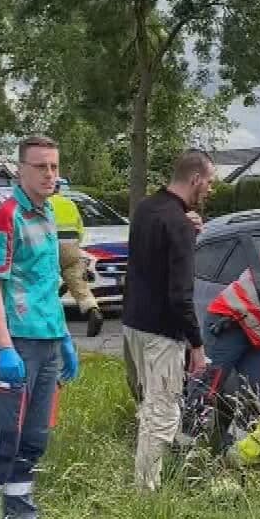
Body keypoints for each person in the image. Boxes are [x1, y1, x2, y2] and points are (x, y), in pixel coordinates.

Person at [0, 136, 80, 519]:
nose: (50, 174)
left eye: (54, 166)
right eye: (40, 167)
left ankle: (20, 518)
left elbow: (47, 285)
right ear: (21, 169)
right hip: (16, 344)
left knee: (34, 439)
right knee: (4, 438)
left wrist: (64, 337)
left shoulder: (48, 214)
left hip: (48, 341)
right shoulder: (7, 216)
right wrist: (3, 349)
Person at [123, 149, 216, 489]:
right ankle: (145, 494)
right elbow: (180, 295)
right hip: (162, 332)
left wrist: (188, 224)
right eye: (209, 183)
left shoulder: (147, 209)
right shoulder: (178, 224)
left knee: (150, 407)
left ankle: (147, 479)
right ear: (195, 180)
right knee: (163, 415)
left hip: (134, 324)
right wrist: (196, 343)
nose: (209, 190)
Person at [49, 178, 106, 338]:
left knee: (46, 282)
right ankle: (92, 310)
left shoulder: (44, 204)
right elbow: (80, 231)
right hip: (72, 247)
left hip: (51, 248)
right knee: (78, 281)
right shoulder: (70, 204)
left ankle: (51, 320)